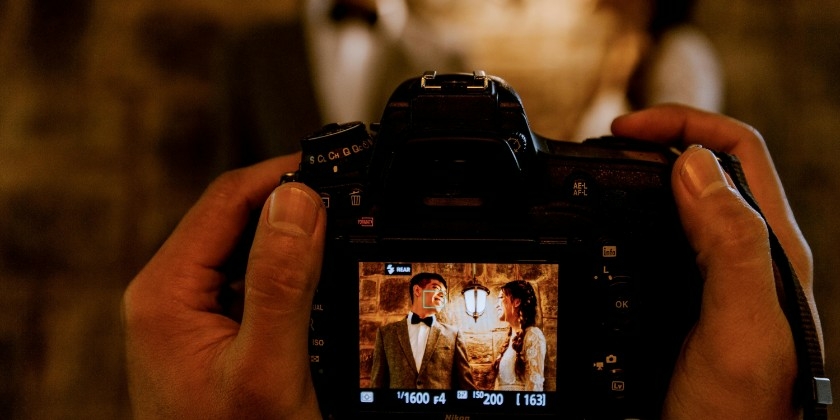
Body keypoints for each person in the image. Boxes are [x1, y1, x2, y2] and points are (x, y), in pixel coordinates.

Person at [122, 104, 817, 419]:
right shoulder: (393, 339)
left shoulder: (521, 341)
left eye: (437, 297)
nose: (437, 304)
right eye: (427, 295)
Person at [369, 272, 476, 390]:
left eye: (445, 293)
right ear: (417, 291)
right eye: (436, 288)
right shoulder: (386, 334)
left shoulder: (453, 335)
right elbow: (377, 384)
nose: (442, 295)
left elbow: (466, 386)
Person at [493, 280, 547, 392]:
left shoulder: (533, 335)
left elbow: (534, 387)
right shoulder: (509, 340)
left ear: (516, 302)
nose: (496, 305)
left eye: (501, 298)